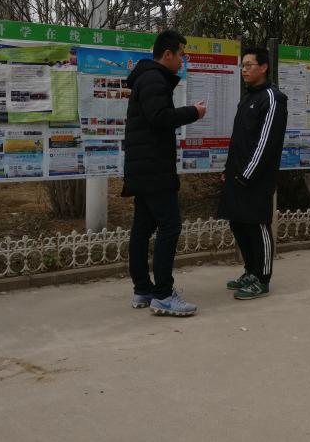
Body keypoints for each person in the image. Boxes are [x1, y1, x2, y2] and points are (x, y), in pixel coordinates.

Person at [122, 30, 207, 316]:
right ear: (167, 54)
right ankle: (163, 295)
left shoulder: (148, 78)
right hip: (154, 169)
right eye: (181, 54)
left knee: (143, 228)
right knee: (170, 226)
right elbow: (159, 117)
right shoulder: (154, 79)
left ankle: (143, 289)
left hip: (145, 167)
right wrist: (193, 112)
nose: (183, 60)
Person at [219, 46, 288, 300]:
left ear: (264, 67)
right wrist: (229, 171)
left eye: (249, 65)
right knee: (238, 223)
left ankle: (262, 278)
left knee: (257, 225)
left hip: (255, 178)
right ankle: (250, 271)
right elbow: (240, 140)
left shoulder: (272, 98)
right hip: (237, 175)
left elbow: (266, 143)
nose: (244, 70)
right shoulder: (248, 98)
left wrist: (247, 174)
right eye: (243, 66)